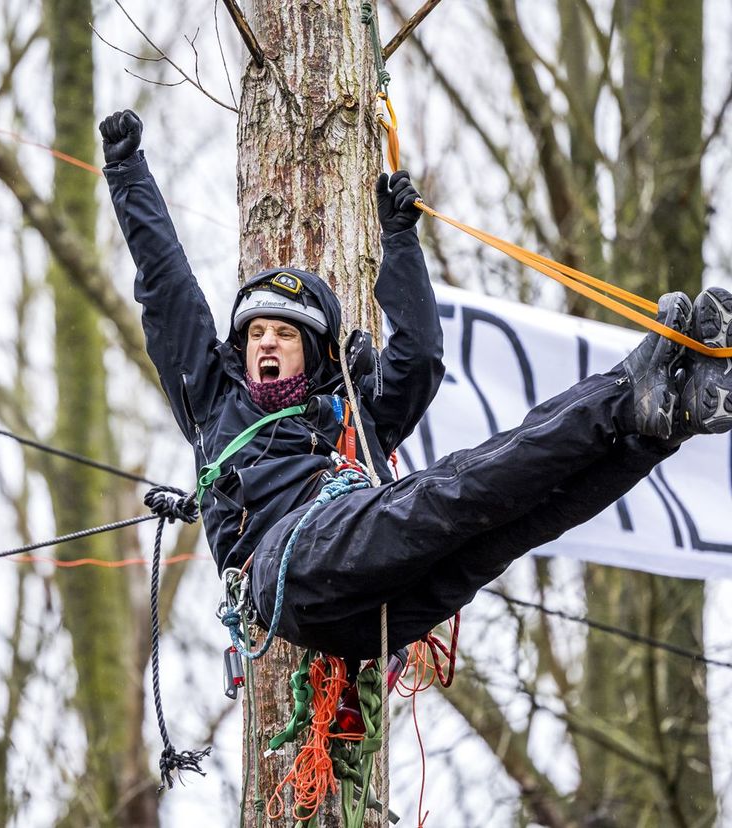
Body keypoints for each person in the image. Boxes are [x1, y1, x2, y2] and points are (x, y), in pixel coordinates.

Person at [99, 109, 732, 661]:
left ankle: (663, 423)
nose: (265, 342)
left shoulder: (353, 418)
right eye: (255, 332)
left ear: (318, 353)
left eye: (285, 333)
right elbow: (168, 291)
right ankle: (626, 393)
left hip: (369, 618)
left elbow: (420, 356)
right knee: (454, 488)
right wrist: (129, 175)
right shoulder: (218, 406)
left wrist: (401, 244)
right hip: (285, 571)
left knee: (508, 525)